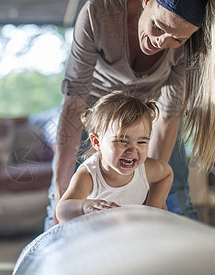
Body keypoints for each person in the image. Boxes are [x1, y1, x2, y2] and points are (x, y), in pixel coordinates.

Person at [45, 0, 215, 230]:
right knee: (64, 196)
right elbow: (75, 100)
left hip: (151, 116)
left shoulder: (188, 39)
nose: (162, 42)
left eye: (176, 40)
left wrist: (149, 189)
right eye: (158, 27)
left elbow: (169, 113)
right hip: (97, 114)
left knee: (175, 191)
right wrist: (61, 190)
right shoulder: (99, 11)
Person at [56, 91, 173, 223]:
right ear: (97, 142)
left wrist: (153, 206)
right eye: (122, 141)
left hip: (131, 231)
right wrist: (84, 206)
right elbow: (62, 211)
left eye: (141, 142)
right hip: (99, 234)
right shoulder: (89, 175)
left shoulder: (146, 169)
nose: (133, 149)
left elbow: (166, 174)